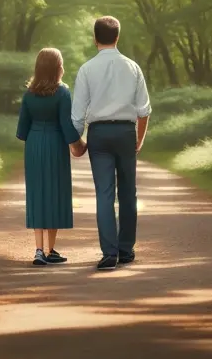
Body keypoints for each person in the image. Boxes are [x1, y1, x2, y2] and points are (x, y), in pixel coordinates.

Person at [71, 16, 152, 271]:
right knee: (128, 192)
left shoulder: (86, 69)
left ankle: (109, 254)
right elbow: (144, 110)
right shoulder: (133, 67)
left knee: (104, 194)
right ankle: (126, 250)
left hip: (99, 135)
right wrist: (139, 139)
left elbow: (77, 116)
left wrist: (77, 144)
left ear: (95, 38)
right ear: (118, 37)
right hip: (126, 132)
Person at [16, 48, 87, 266]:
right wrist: (79, 144)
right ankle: (51, 250)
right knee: (55, 192)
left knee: (37, 193)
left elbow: (21, 129)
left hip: (35, 144)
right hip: (55, 143)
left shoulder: (29, 93)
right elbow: (66, 125)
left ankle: (38, 250)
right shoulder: (63, 92)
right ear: (58, 67)